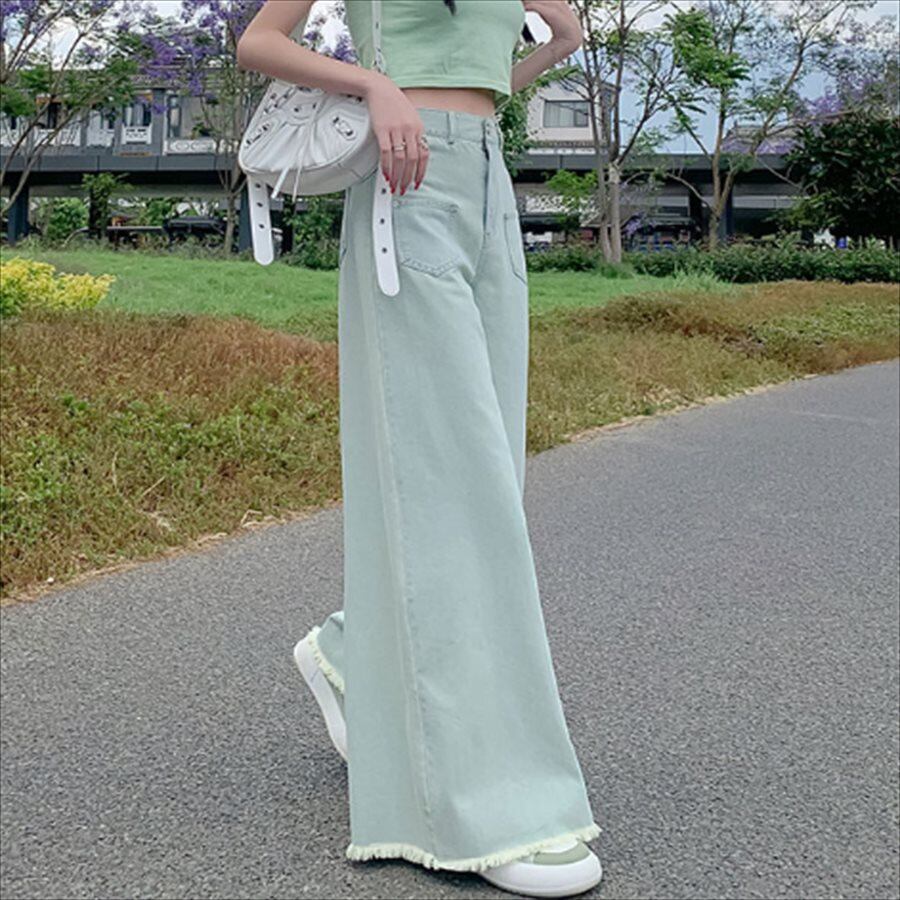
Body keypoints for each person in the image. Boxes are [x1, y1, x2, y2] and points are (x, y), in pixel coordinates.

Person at [236, 2, 603, 896]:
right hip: (406, 185)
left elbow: (549, 45)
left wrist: (554, 35)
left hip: (487, 180)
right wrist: (377, 87)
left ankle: (352, 655)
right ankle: (488, 802)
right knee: (453, 480)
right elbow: (259, 41)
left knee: (491, 473)